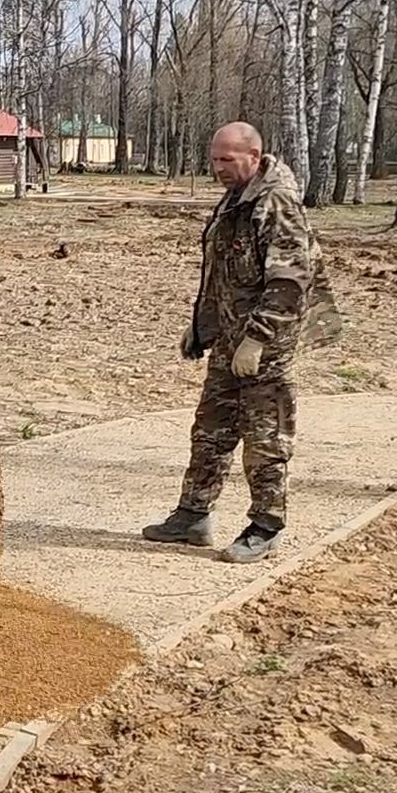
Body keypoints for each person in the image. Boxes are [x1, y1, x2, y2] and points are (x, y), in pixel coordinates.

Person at [142, 122, 340, 563]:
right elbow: (224, 273)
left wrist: (258, 339)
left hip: (266, 346)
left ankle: (266, 527)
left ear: (254, 155)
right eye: (214, 159)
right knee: (211, 429)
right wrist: (202, 328)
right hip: (231, 338)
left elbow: (291, 280)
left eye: (227, 160)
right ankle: (192, 516)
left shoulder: (276, 202)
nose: (218, 168)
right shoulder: (237, 197)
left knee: (265, 436)